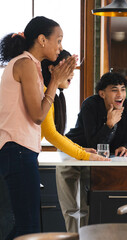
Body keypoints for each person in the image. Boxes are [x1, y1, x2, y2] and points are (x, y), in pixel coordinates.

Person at [0, 16, 76, 239]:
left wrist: (54, 79)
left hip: (19, 152)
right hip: (18, 151)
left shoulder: (28, 65)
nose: (60, 47)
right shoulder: (25, 65)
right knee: (29, 228)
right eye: (58, 40)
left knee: (25, 225)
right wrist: (54, 82)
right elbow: (37, 116)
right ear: (42, 40)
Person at [59, 71, 127, 232]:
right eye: (114, 89)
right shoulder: (90, 105)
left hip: (97, 161)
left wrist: (126, 147)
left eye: (123, 89)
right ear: (102, 93)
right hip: (73, 155)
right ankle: (73, 237)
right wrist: (109, 124)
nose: (120, 94)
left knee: (90, 205)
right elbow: (93, 143)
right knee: (72, 208)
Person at [40, 50, 108, 232]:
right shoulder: (44, 93)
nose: (72, 73)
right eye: (68, 67)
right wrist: (83, 154)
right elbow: (51, 135)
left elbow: (56, 134)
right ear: (52, 69)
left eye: (73, 67)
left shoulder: (51, 94)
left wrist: (81, 149)